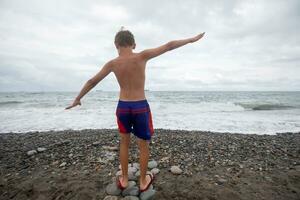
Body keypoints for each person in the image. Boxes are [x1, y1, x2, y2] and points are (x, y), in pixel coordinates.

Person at [65, 28, 205, 192]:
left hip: (123, 107)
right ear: (134, 44)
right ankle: (143, 181)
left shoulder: (112, 64)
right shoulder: (141, 56)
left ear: (116, 45)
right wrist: (190, 39)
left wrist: (77, 98)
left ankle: (124, 179)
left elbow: (91, 81)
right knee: (143, 145)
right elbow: (169, 46)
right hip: (140, 107)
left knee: (124, 143)